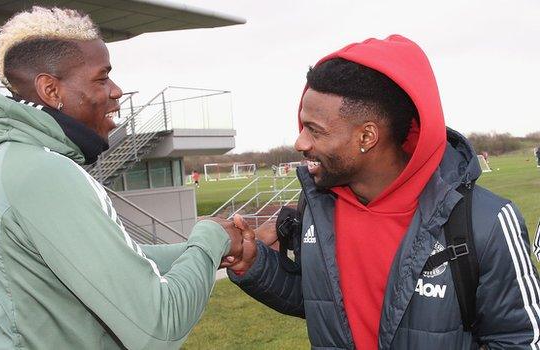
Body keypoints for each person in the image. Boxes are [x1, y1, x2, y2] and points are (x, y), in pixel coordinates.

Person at [0, 7, 251, 350]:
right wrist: (209, 236)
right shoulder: (44, 174)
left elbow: (122, 261)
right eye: (101, 78)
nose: (117, 91)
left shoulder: (9, 164)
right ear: (51, 91)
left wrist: (225, 244)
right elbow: (159, 327)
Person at [226, 35, 540, 349]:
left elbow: (522, 340)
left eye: (314, 130)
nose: (300, 143)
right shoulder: (318, 209)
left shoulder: (486, 222)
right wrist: (253, 263)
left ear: (367, 136)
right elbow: (324, 301)